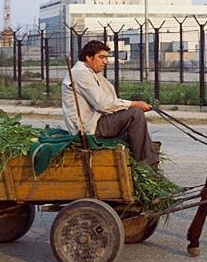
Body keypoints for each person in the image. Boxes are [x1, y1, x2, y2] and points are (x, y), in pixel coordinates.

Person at [62, 39, 159, 167]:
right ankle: (145, 163)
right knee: (135, 114)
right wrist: (133, 104)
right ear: (89, 57)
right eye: (101, 57)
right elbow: (102, 104)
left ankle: (140, 158)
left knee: (131, 113)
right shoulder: (80, 73)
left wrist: (127, 106)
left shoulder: (92, 73)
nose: (105, 62)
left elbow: (111, 98)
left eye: (106, 58)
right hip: (89, 127)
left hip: (98, 120)